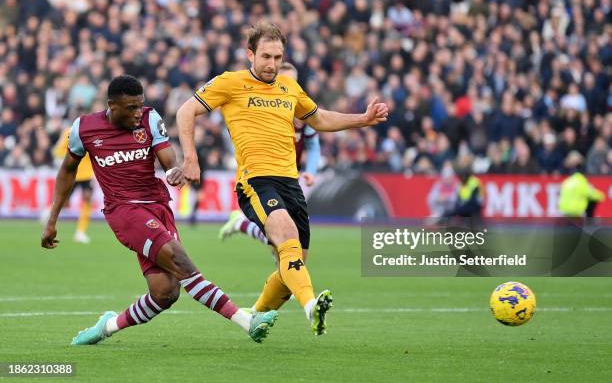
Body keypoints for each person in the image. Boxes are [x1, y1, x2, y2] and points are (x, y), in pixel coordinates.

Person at [176, 23, 389, 335]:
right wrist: (190, 158)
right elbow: (186, 110)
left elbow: (319, 118)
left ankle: (255, 317)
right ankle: (311, 307)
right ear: (250, 54)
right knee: (287, 236)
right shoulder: (231, 82)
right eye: (265, 56)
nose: (272, 64)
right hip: (256, 181)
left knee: (292, 265)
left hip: (291, 184)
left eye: (277, 57)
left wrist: (363, 119)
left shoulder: (289, 88)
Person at [41, 75, 278, 345]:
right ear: (112, 106)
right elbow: (66, 173)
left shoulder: (150, 119)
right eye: (131, 108)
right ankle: (247, 321)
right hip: (124, 212)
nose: (137, 112)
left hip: (158, 207)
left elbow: (166, 157)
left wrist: (174, 171)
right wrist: (52, 220)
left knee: (165, 292)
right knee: (180, 260)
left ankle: (105, 326)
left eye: (140, 105)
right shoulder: (84, 128)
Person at [218, 62, 321, 250]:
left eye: (292, 81)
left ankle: (241, 224)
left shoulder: (301, 109)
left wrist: (311, 171)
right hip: (261, 175)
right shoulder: (262, 107)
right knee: (281, 238)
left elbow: (313, 143)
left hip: (289, 176)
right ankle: (292, 277)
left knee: (289, 239)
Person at [48, 117, 96, 244]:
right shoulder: (69, 132)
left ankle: (80, 232)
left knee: (87, 198)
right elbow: (58, 150)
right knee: (64, 201)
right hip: (73, 172)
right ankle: (47, 215)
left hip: (87, 174)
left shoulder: (93, 132)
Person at [559, 151, 605, 218]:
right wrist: (602, 195)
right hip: (576, 213)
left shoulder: (567, 181)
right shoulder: (581, 181)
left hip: (564, 212)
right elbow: (592, 194)